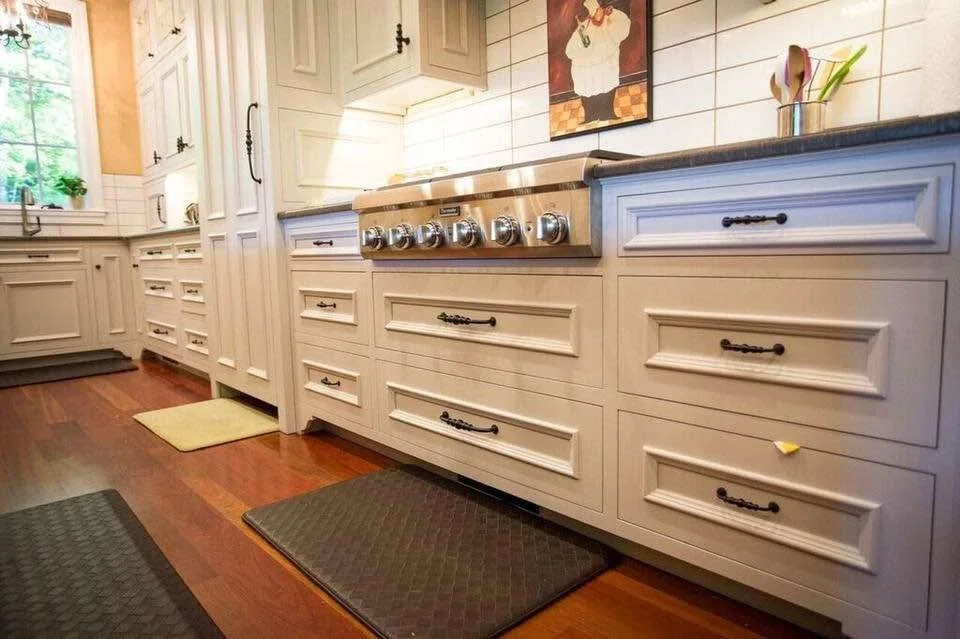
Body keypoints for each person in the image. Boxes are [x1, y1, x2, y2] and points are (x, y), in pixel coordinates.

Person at [565, 0, 631, 124]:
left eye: (599, 10)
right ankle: (590, 117)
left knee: (607, 88)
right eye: (595, 12)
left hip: (606, 66)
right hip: (588, 69)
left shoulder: (609, 20)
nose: (598, 13)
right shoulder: (584, 27)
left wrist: (612, 13)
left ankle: (608, 114)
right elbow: (571, 50)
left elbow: (623, 25)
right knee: (588, 90)